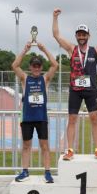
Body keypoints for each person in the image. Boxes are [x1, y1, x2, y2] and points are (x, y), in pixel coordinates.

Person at [52, 8, 97, 161]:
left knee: (94, 118)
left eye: (84, 34)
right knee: (72, 119)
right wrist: (55, 18)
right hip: (75, 90)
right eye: (79, 34)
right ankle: (70, 150)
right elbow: (56, 35)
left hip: (90, 90)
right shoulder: (71, 49)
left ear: (88, 35)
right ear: (76, 36)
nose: (81, 36)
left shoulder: (94, 51)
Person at [12, 41, 58, 182]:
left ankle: (48, 172)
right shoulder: (25, 78)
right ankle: (25, 171)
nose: (36, 68)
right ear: (30, 67)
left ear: (41, 67)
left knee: (44, 146)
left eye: (39, 66)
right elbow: (14, 66)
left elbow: (55, 65)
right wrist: (25, 50)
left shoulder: (45, 79)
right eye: (34, 66)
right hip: (27, 118)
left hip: (41, 118)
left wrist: (44, 49)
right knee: (26, 146)